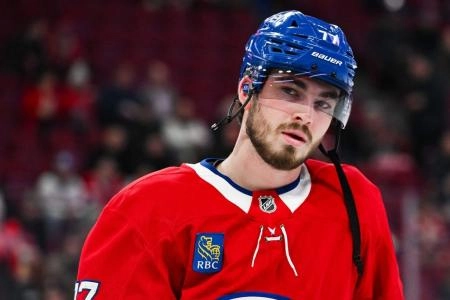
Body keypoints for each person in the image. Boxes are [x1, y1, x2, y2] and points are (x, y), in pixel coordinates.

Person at [75, 10, 404, 299]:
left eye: (323, 103)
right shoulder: (147, 209)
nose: (306, 115)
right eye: (290, 91)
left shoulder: (355, 201)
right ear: (247, 89)